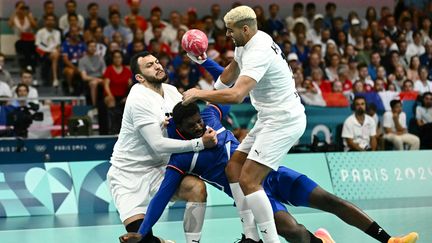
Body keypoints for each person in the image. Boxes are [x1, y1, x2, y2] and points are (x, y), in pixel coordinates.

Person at [120, 99, 418, 243]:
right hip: (252, 194)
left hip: (273, 172)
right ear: (181, 130)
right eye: (192, 127)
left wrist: (201, 72)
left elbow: (227, 90)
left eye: (200, 121)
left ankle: (389, 239)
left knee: (330, 200)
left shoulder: (210, 112)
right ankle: (320, 242)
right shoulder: (182, 158)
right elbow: (160, 197)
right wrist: (143, 232)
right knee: (292, 232)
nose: (201, 126)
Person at [182, 6, 306, 243]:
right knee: (233, 168)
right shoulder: (245, 43)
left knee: (249, 180)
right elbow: (230, 72)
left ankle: (271, 241)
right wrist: (203, 64)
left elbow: (237, 95)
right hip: (269, 117)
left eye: (230, 31)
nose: (227, 35)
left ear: (245, 29)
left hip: (284, 120)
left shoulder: (259, 50)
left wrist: (199, 94)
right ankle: (251, 237)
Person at [106, 51, 218, 243]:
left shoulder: (172, 91)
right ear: (139, 77)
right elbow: (158, 144)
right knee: (141, 240)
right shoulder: (138, 99)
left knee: (197, 188)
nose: (157, 66)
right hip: (129, 173)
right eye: (149, 65)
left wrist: (208, 131)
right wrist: (200, 144)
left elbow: (190, 123)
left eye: (157, 62)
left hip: (162, 169)